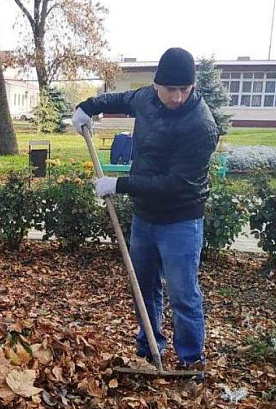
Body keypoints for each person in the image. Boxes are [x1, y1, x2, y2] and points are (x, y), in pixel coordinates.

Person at [72, 47, 218, 369]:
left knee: (183, 294)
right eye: (171, 89)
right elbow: (122, 99)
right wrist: (88, 107)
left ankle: (191, 360)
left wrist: (119, 185)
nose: (178, 97)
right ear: (156, 85)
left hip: (181, 220)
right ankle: (150, 350)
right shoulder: (146, 99)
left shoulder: (201, 125)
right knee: (144, 286)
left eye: (185, 89)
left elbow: (174, 184)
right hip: (145, 217)